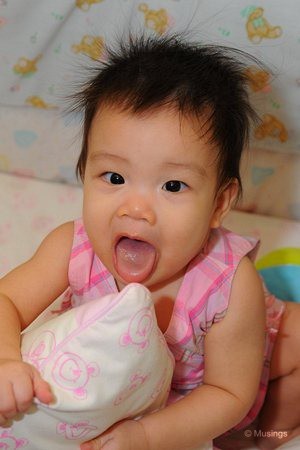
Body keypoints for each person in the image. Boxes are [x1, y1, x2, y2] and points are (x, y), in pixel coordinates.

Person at [0, 34, 299, 450]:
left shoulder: (231, 286)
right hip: (126, 392)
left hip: (210, 388)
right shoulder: (72, 246)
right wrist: (5, 360)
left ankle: (263, 436)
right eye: (115, 178)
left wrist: (147, 435)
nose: (136, 209)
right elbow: (7, 301)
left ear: (218, 203)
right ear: (84, 173)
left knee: (287, 365)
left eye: (173, 185)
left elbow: (229, 393)